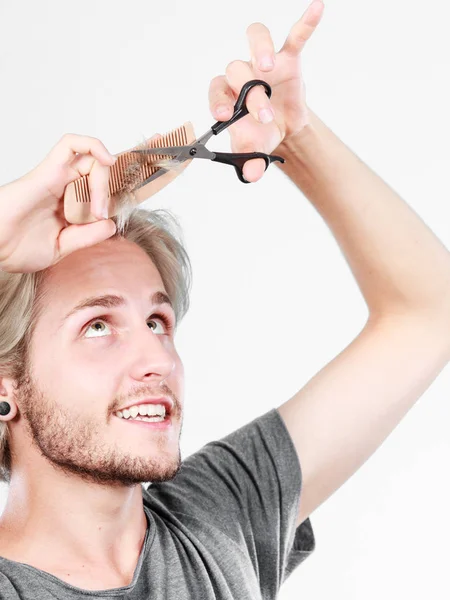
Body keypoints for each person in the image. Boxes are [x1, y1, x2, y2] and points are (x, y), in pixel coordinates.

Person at [0, 0, 449, 597]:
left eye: (157, 320)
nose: (156, 359)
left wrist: (299, 136)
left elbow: (429, 313)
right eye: (99, 326)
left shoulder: (222, 515)